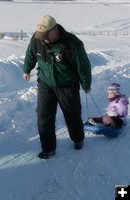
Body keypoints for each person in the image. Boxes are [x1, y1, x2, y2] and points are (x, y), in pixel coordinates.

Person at [23, 15, 92, 159]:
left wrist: (86, 84)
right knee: (44, 116)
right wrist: (27, 69)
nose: (44, 38)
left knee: (72, 114)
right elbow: (30, 54)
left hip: (67, 85)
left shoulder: (72, 44)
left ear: (55, 29)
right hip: (45, 83)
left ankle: (78, 139)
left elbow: (83, 66)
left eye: (46, 34)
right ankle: (48, 149)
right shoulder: (37, 39)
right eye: (41, 35)